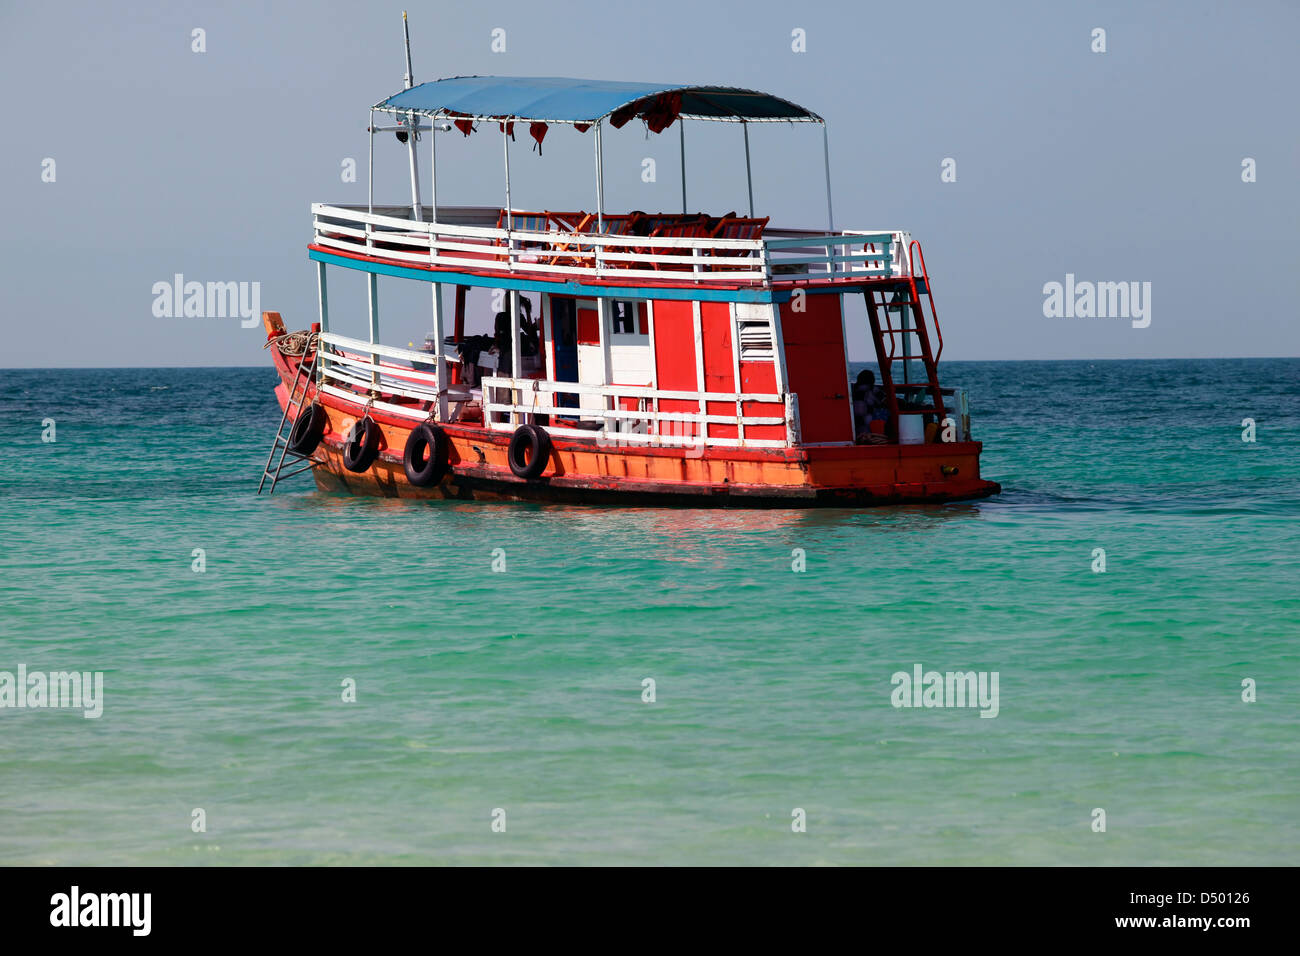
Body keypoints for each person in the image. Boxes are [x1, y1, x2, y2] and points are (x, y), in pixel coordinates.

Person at [852, 369, 888, 441]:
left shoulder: (853, 388)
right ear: (872, 380)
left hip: (856, 422)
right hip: (869, 422)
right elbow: (885, 401)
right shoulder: (873, 390)